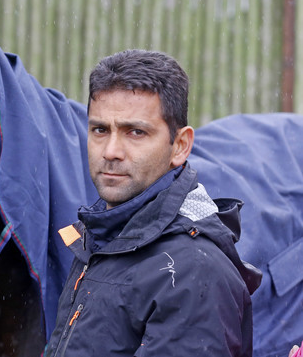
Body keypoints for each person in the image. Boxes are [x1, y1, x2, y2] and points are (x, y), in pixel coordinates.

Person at [45, 49, 262, 357]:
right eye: (100, 130)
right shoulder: (99, 238)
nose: (111, 151)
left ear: (180, 146)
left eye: (135, 132)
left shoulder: (192, 272)